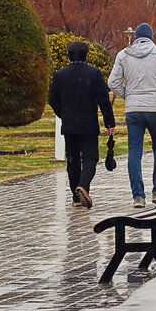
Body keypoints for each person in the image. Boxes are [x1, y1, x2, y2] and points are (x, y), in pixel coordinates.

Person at [107, 23, 156, 209]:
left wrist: (128, 95)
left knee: (134, 151)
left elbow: (112, 82)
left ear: (135, 37)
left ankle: (138, 196)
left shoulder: (123, 55)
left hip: (133, 109)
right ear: (151, 36)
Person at [48, 40, 115, 208]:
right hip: (89, 124)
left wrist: (63, 114)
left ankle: (76, 198)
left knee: (73, 160)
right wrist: (109, 122)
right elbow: (103, 100)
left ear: (68, 55)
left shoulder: (60, 75)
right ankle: (83, 185)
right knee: (90, 157)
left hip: (69, 124)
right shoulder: (94, 74)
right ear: (87, 55)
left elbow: (52, 100)